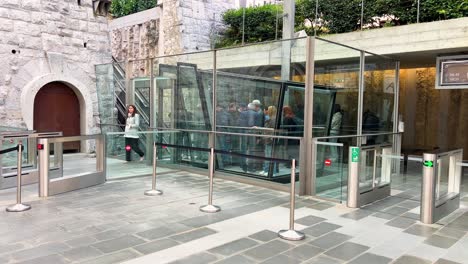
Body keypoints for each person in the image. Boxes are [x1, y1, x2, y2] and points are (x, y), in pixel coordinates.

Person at [260, 106, 278, 176]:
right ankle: (267, 170)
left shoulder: (272, 119)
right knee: (268, 155)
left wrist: (270, 137)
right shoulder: (272, 119)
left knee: (270, 156)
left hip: (270, 140)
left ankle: (271, 171)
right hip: (268, 139)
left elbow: (272, 130)